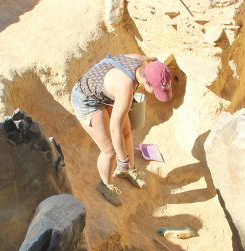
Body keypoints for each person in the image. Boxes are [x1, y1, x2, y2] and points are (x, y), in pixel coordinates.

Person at [71, 54, 173, 206]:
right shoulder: (126, 88)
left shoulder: (143, 62)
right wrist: (122, 160)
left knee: (126, 132)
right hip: (87, 101)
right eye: (156, 89)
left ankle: (128, 170)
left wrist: (125, 162)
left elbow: (120, 130)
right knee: (109, 151)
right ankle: (105, 185)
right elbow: (114, 129)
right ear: (146, 81)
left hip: (104, 91)